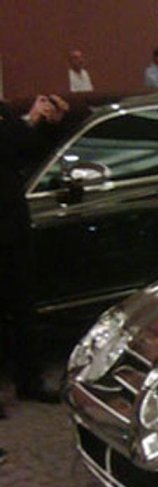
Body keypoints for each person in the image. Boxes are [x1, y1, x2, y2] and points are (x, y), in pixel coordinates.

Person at [0, 95, 69, 409]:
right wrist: (30, 119)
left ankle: (30, 381)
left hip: (13, 222)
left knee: (24, 308)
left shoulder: (3, 110)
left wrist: (49, 125)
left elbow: (27, 152)